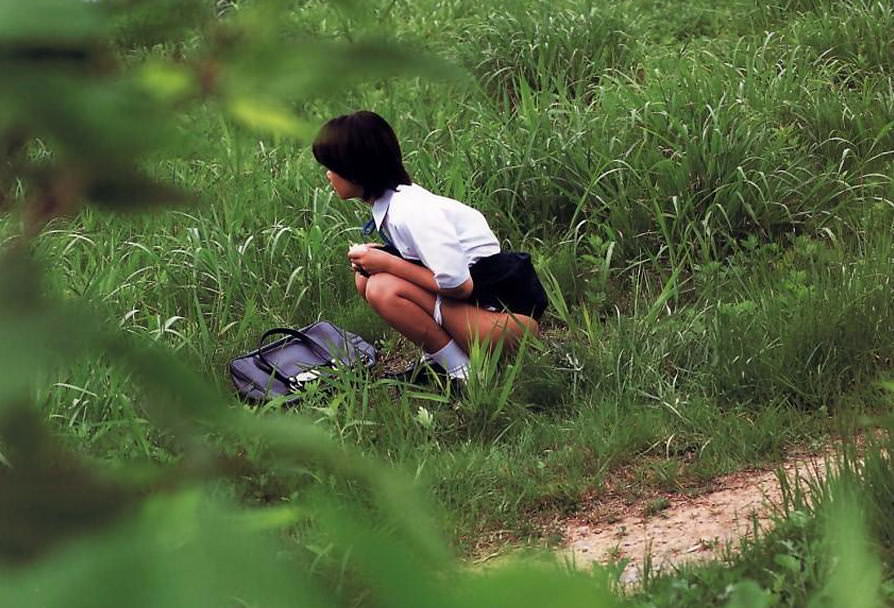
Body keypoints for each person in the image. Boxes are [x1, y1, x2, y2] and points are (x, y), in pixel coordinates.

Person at [312, 110, 547, 381]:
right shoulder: (396, 205)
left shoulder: (410, 211)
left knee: (381, 287)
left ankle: (464, 373)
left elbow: (460, 286)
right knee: (367, 277)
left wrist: (389, 263)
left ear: (355, 171)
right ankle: (444, 359)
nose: (328, 175)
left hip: (507, 326)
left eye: (332, 167)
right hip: (480, 313)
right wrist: (382, 259)